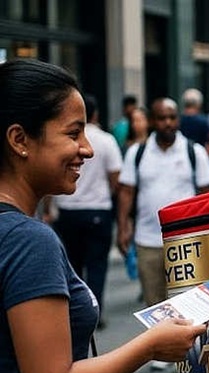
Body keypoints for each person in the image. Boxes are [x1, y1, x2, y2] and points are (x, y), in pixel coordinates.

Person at [0, 58, 205, 373]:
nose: (87, 149)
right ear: (19, 140)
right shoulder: (27, 240)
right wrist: (150, 346)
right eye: (73, 133)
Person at [117, 97, 209, 344]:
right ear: (152, 121)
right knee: (154, 300)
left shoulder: (194, 151)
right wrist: (123, 227)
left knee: (188, 299)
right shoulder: (137, 153)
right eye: (162, 118)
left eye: (172, 117)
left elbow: (207, 192)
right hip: (147, 239)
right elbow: (126, 191)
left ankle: (189, 350)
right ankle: (161, 348)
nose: (168, 123)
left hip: (186, 241)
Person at [46, 93, 121, 328]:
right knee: (96, 266)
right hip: (97, 209)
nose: (86, 149)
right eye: (73, 134)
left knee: (73, 267)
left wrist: (49, 209)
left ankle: (77, 313)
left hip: (68, 210)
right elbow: (116, 178)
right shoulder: (106, 140)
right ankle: (92, 312)